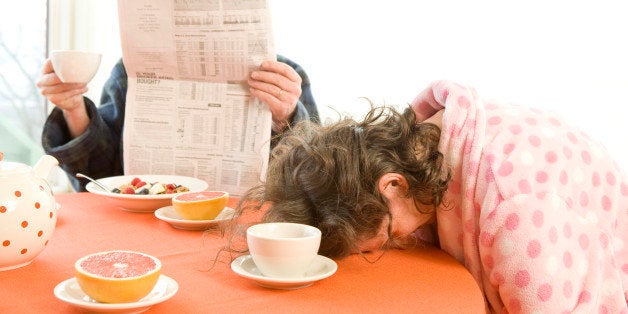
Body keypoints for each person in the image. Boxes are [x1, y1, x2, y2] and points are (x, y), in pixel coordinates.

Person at [234, 80, 628, 313]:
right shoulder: (422, 148)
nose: (394, 243)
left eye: (387, 236)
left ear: (393, 186)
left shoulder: (517, 212)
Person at [37, 55, 320, 192]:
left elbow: (316, 182)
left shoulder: (286, 77)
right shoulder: (130, 71)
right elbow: (99, 181)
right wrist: (73, 108)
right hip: (144, 230)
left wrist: (286, 117)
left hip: (245, 234)